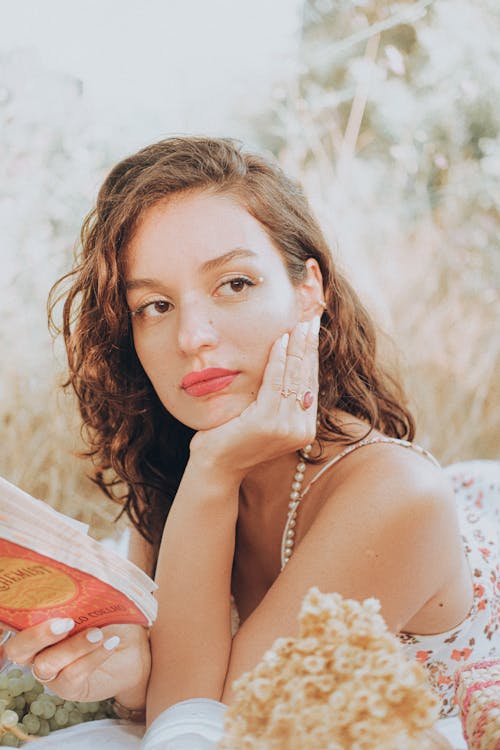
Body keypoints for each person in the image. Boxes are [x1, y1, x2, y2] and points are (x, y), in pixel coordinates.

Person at [5, 137, 498, 732]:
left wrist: (214, 467)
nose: (193, 336)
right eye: (155, 305)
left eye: (234, 284)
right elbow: (175, 694)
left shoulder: (395, 495)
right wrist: (132, 678)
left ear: (308, 290)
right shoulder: (168, 461)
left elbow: (208, 729)